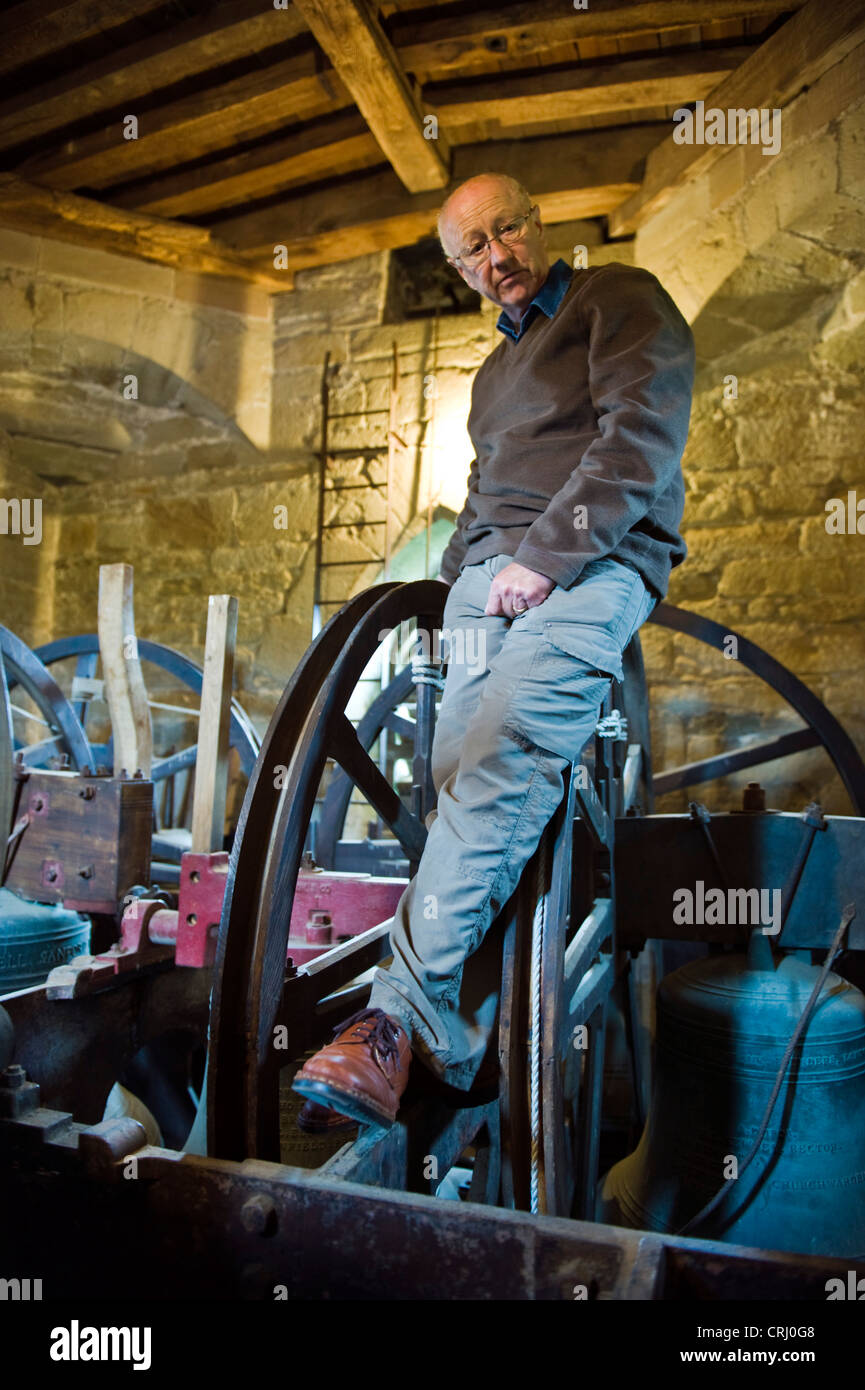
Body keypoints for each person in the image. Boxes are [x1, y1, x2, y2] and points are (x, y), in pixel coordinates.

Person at [292, 172, 695, 1131]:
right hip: (488, 586)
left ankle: (390, 1022)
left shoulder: (618, 299)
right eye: (472, 249)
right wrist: (461, 582)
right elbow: (477, 496)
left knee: (505, 755)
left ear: (536, 219)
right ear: (458, 267)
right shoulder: (487, 378)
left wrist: (545, 562)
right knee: (454, 775)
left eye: (506, 229)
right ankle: (464, 1043)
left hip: (590, 565)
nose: (496, 257)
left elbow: (639, 440)